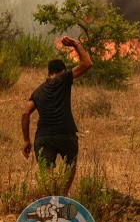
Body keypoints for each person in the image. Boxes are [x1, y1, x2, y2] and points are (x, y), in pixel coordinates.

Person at [21, 36, 93, 195]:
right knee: (70, 166)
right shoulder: (64, 78)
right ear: (63, 71)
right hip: (66, 134)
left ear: (49, 73)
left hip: (43, 137)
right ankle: (63, 195)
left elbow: (26, 113)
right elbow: (87, 63)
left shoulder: (38, 91)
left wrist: (26, 140)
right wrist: (75, 44)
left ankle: (52, 198)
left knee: (47, 175)